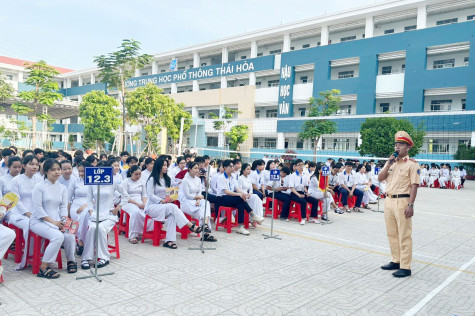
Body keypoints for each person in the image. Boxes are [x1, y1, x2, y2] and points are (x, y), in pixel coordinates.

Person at [378, 131, 420, 278]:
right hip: (388, 200)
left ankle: (405, 266)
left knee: (404, 234)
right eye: (396, 144)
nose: (397, 147)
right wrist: (388, 163)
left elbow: (414, 185)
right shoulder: (391, 163)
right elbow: (380, 178)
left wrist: (411, 205)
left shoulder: (412, 165)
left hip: (403, 201)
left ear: (408, 147)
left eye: (401, 144)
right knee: (392, 233)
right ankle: (395, 260)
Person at [30, 159, 77, 278]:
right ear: (46, 171)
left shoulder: (62, 188)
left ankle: (71, 261)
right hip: (39, 221)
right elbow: (38, 209)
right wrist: (54, 222)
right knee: (58, 236)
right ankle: (43, 267)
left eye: (58, 169)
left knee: (70, 234)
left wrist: (64, 221)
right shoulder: (39, 187)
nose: (57, 172)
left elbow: (63, 206)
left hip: (56, 221)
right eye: (53, 170)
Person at [145, 159, 202, 249]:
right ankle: (190, 225)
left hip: (165, 206)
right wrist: (161, 200)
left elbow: (173, 189)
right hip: (152, 207)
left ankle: (169, 241)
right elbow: (150, 195)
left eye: (166, 165)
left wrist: (171, 196)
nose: (166, 167)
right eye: (164, 165)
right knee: (173, 207)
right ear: (158, 166)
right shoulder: (152, 179)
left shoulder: (167, 178)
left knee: (172, 214)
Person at [81, 160, 123, 269]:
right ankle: (87, 258)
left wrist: (118, 207)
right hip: (95, 214)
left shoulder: (113, 182)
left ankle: (104, 257)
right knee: (91, 229)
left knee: (100, 228)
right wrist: (91, 211)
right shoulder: (92, 183)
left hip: (109, 214)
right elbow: (89, 200)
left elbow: (125, 195)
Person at [9, 155, 41, 269]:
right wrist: (27, 213)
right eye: (31, 164)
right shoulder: (16, 180)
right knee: (30, 225)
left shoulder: (39, 179)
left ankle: (39, 254)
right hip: (18, 213)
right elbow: (16, 200)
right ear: (24, 166)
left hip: (35, 213)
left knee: (45, 224)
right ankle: (27, 257)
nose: (35, 167)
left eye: (37, 164)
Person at [216, 160, 264, 235]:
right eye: (230, 166)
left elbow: (237, 188)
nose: (232, 168)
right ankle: (252, 215)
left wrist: (242, 193)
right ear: (225, 168)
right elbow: (226, 192)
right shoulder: (221, 178)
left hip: (230, 197)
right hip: (222, 198)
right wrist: (239, 195)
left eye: (233, 166)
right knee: (240, 198)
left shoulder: (233, 177)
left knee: (240, 203)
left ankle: (240, 226)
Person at [179, 162, 216, 241]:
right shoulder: (185, 180)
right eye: (195, 168)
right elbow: (187, 195)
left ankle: (205, 225)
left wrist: (199, 200)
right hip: (187, 202)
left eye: (197, 168)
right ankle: (206, 234)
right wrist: (197, 197)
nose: (197, 170)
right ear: (189, 169)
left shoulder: (198, 179)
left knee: (206, 203)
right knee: (204, 211)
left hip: (196, 201)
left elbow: (199, 192)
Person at [67, 161, 90, 256]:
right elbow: (68, 199)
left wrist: (84, 206)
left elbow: (95, 198)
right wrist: (67, 213)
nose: (81, 174)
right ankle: (81, 241)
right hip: (75, 205)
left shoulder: (93, 181)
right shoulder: (74, 182)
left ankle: (81, 241)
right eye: (79, 171)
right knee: (76, 217)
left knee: (85, 215)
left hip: (89, 205)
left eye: (83, 171)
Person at [121, 165, 147, 244]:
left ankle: (144, 231)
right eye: (136, 174)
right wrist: (137, 204)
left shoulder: (142, 182)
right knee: (135, 212)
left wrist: (144, 203)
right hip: (128, 202)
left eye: (139, 174)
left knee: (147, 211)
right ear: (131, 173)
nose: (138, 176)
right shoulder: (125, 182)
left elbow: (144, 195)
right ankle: (133, 235)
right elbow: (125, 196)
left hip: (140, 201)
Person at [289, 159, 319, 224]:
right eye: (299, 165)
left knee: (315, 201)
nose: (301, 166)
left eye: (302, 165)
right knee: (303, 201)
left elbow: (305, 186)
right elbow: (292, 188)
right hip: (294, 193)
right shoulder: (293, 175)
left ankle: (313, 217)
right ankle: (303, 218)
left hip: (302, 193)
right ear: (295, 166)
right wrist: (298, 195)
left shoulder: (304, 175)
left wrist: (307, 192)